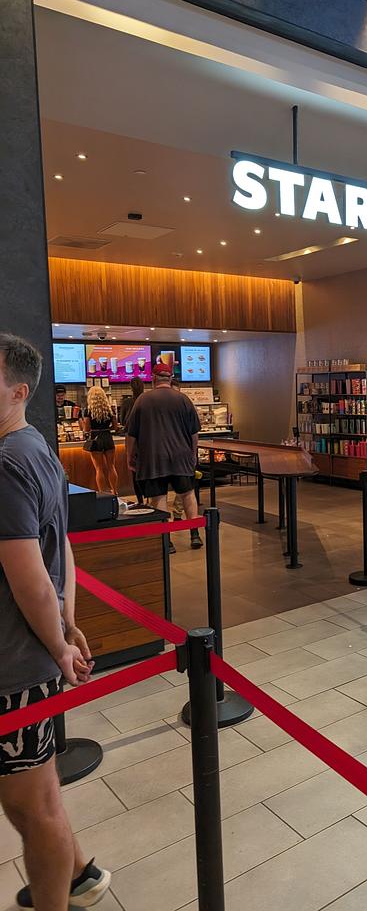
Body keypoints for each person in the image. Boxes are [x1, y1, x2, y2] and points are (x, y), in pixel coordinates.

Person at [0, 333, 111, 910]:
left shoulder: (6, 460)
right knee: (31, 796)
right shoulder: (36, 445)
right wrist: (67, 623)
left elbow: (27, 575)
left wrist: (59, 641)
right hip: (32, 650)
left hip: (14, 664)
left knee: (30, 803)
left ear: (17, 391)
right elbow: (59, 542)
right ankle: (79, 873)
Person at [126, 363, 203, 551]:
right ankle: (195, 535)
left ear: (153, 378)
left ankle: (166, 541)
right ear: (170, 378)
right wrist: (193, 455)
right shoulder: (183, 399)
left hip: (153, 458)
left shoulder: (142, 401)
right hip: (181, 457)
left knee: (158, 498)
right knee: (187, 494)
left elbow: (131, 434)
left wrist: (130, 457)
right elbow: (194, 434)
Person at [80, 386, 119, 495]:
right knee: (111, 466)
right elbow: (115, 427)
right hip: (107, 437)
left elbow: (87, 429)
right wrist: (107, 428)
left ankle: (102, 492)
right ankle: (115, 491)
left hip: (95, 438)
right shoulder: (110, 409)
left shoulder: (89, 411)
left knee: (99, 468)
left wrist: (83, 426)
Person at [119, 377, 146, 508]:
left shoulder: (127, 403)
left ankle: (140, 500)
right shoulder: (147, 400)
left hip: (131, 441)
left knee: (135, 471)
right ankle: (150, 498)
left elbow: (123, 421)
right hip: (147, 440)